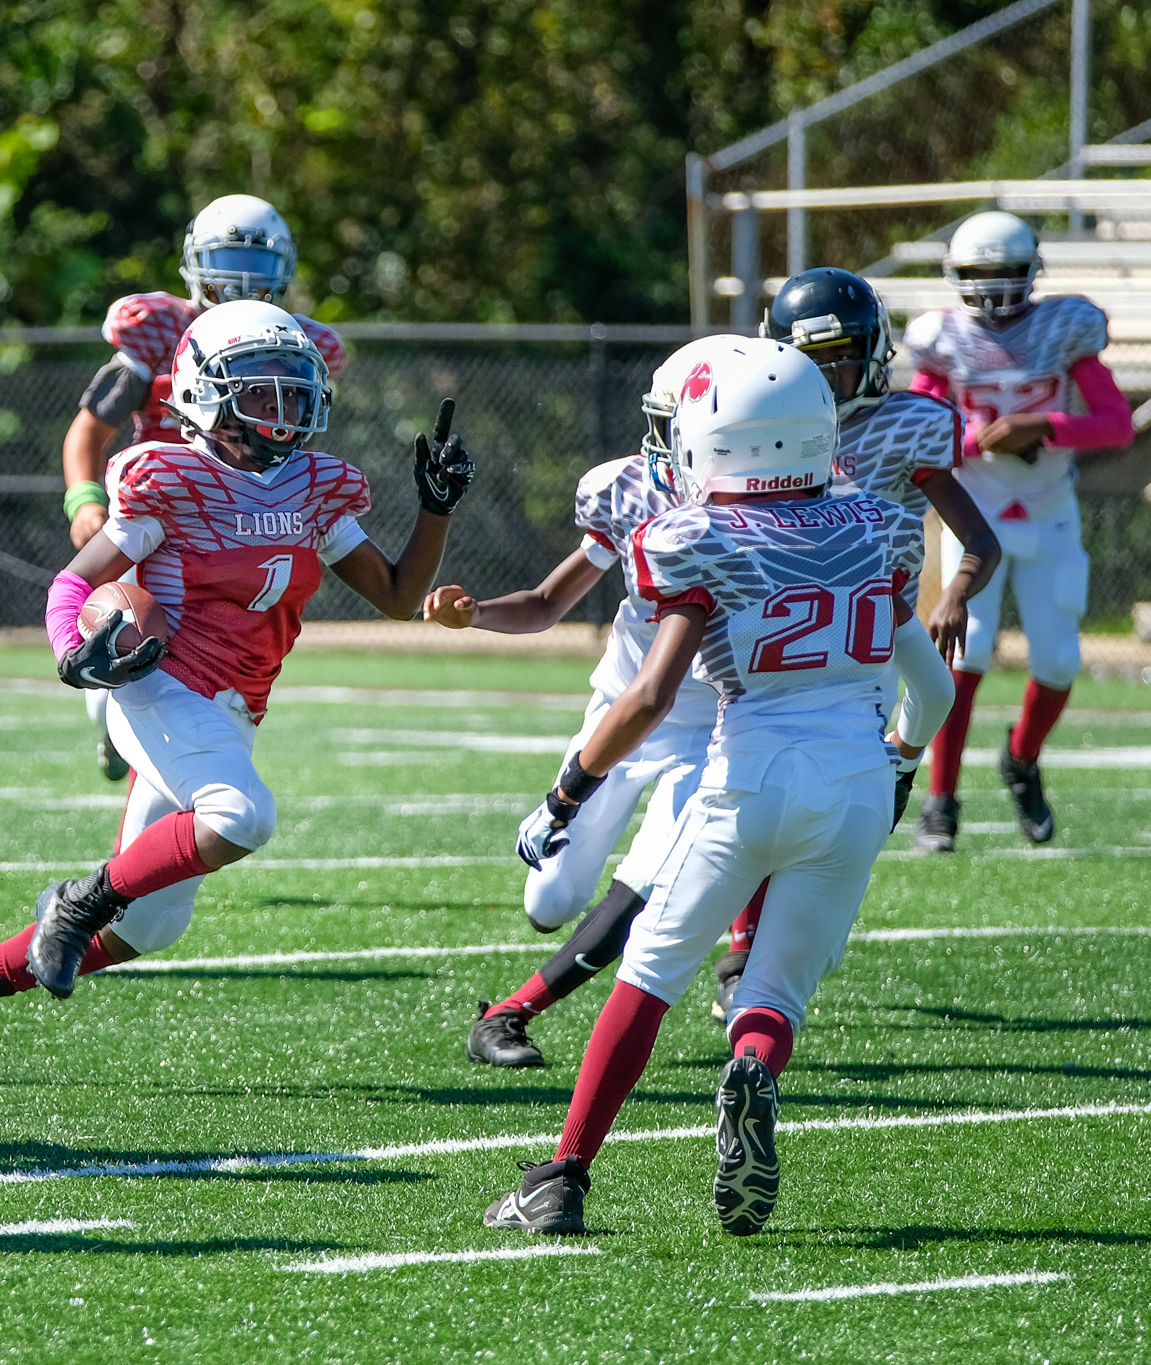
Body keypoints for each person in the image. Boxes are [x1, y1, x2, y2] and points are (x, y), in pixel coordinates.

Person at [0, 300, 475, 1083]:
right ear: (207, 394)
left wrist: (435, 510)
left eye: (293, 392)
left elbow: (401, 597)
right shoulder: (170, 477)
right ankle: (76, 902)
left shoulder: (316, 486)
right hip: (159, 686)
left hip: (233, 711)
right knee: (243, 815)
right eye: (261, 393)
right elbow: (74, 584)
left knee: (151, 926)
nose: (283, 410)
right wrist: (74, 655)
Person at [482, 340, 953, 1237]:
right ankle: (753, 1071)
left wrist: (566, 795)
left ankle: (563, 1175)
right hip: (854, 781)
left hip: (749, 774)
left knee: (649, 977)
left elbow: (650, 696)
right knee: (774, 988)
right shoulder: (876, 527)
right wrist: (899, 760)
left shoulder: (695, 533)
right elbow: (932, 690)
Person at [427, 336, 742, 1070]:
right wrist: (474, 615)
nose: (669, 442)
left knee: (655, 880)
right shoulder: (631, 489)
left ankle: (514, 1010)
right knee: (550, 901)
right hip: (619, 713)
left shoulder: (780, 507)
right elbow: (544, 602)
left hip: (711, 729)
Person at [706, 267, 1000, 1017]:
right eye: (815, 361)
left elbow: (979, 540)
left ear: (874, 352)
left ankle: (899, 776)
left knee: (849, 803)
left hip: (880, 626)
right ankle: (744, 951)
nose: (832, 375)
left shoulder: (911, 424)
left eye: (843, 356)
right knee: (770, 785)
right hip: (787, 627)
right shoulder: (763, 427)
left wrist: (956, 592)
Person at [61, 195, 345, 781]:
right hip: (159, 506)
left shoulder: (294, 339)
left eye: (257, 262)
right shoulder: (159, 327)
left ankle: (150, 732)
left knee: (202, 663)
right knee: (122, 628)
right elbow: (91, 426)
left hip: (231, 520)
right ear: (193, 259)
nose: (242, 278)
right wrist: (83, 498)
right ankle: (115, 706)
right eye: (226, 257)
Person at [906, 212, 1134, 852]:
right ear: (956, 276)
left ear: (1032, 271)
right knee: (967, 650)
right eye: (982, 275)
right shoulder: (942, 340)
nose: (996, 289)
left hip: (1047, 506)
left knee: (1059, 660)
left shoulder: (1065, 329)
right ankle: (941, 799)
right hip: (973, 508)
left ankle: (1021, 758)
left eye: (1007, 273)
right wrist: (971, 440)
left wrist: (1046, 427)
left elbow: (1115, 425)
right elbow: (915, 429)